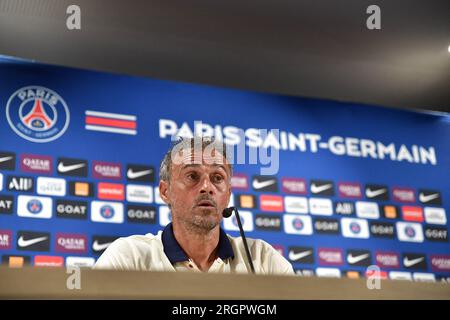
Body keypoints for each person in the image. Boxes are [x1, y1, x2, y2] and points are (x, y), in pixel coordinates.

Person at [94, 136, 294, 275]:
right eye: (192, 176)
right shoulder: (129, 258)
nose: (207, 187)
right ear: (165, 191)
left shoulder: (263, 260)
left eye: (217, 178)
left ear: (229, 194)